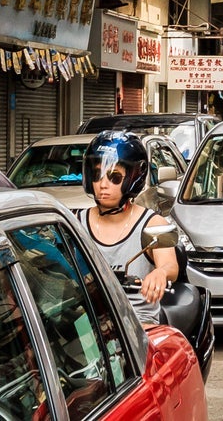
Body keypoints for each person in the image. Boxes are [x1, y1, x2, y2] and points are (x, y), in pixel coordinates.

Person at [75, 131, 180, 319]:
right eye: (97, 174)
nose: (103, 184)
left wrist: (160, 273)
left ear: (133, 178)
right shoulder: (76, 222)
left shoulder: (152, 222)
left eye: (114, 177)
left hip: (139, 321)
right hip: (91, 322)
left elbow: (170, 266)